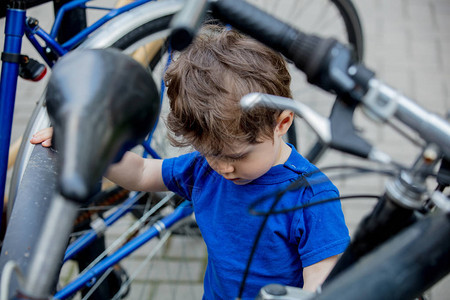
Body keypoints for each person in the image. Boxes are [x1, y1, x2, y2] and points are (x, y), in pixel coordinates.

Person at [31, 24, 349, 299]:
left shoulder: (311, 198)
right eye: (211, 152)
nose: (222, 168)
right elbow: (142, 173)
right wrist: (92, 146)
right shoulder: (203, 170)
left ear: (282, 123)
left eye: (236, 155)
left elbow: (322, 281)